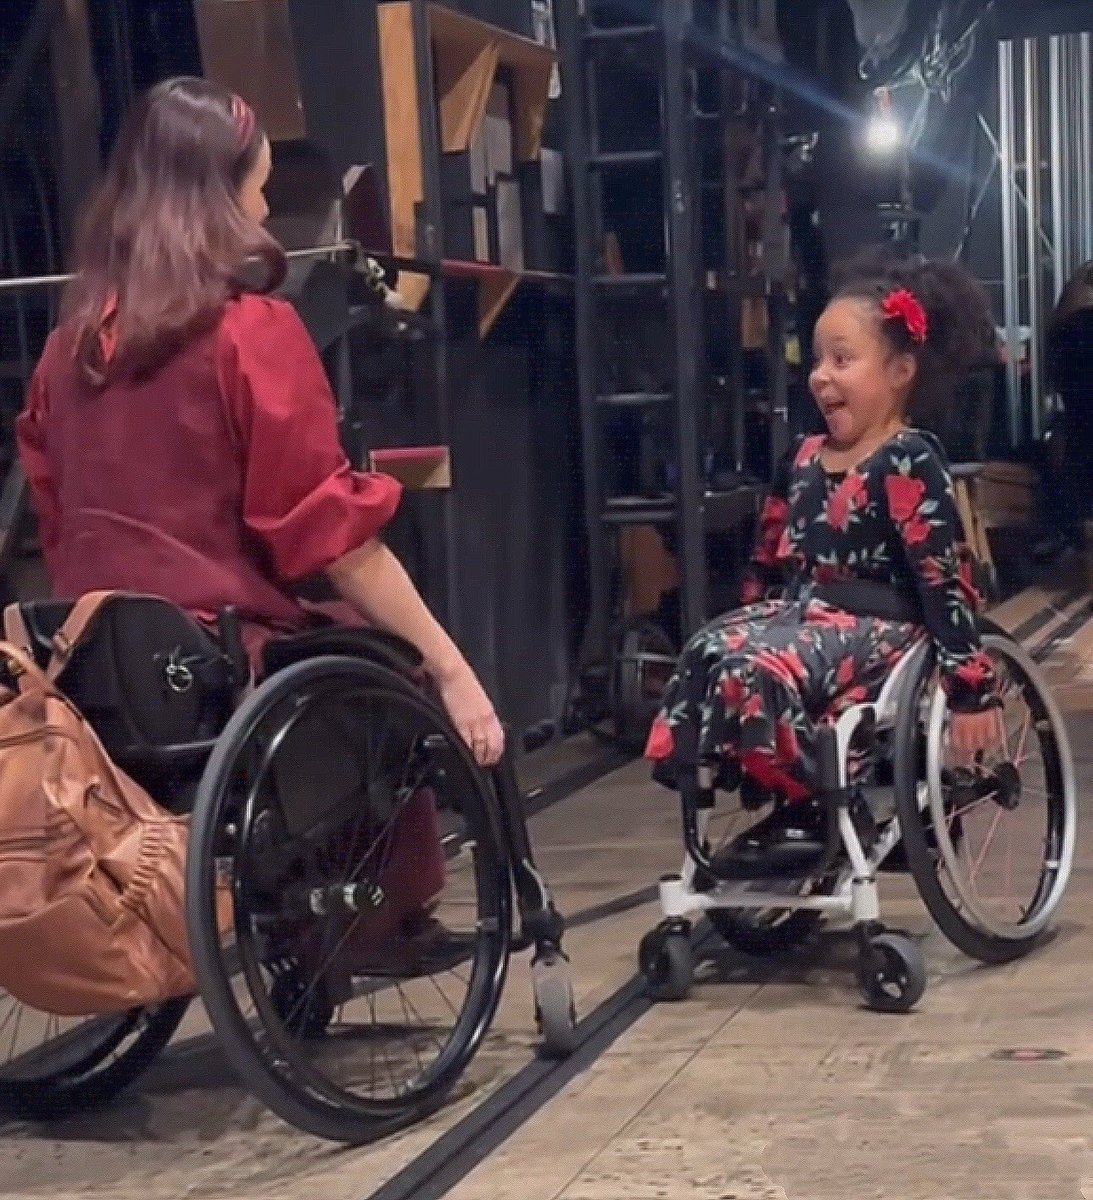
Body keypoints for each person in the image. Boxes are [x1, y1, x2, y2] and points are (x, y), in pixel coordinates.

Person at [16, 77, 501, 973]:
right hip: (215, 661)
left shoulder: (66, 349)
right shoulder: (249, 332)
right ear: (218, 196)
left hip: (99, 661)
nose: (268, 204)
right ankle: (374, 921)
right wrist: (453, 665)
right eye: (260, 183)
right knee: (381, 660)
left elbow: (54, 517)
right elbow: (329, 537)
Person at [645, 247, 1002, 867]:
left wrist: (970, 686)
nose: (820, 377)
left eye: (843, 360)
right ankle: (758, 781)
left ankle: (834, 799)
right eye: (817, 360)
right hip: (806, 617)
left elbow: (941, 578)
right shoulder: (805, 456)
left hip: (884, 628)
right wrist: (749, 617)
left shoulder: (909, 458)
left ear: (899, 371)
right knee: (710, 649)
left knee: (759, 668)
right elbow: (766, 556)